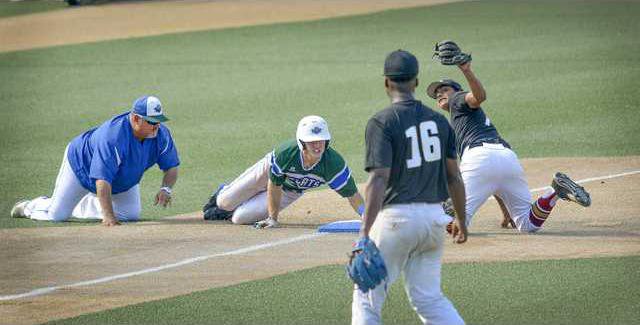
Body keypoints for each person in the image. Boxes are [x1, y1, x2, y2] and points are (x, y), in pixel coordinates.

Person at [351, 49, 467, 325]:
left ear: (386, 83)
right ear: (415, 82)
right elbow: (454, 177)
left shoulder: (383, 121)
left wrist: (364, 232)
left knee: (366, 297)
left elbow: (378, 178)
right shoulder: (440, 121)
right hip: (434, 221)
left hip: (396, 220)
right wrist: (462, 220)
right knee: (429, 299)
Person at [426, 56, 591, 233]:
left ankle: (442, 207)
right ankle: (555, 190)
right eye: (436, 94)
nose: (439, 94)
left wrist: (466, 70)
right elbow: (492, 179)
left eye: (444, 89)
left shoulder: (458, 100)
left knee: (453, 226)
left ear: (457, 91)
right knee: (528, 224)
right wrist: (506, 211)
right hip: (506, 159)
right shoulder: (463, 118)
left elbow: (479, 96)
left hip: (479, 158)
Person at [10, 95, 180, 226]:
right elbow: (102, 179)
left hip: (121, 180)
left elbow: (171, 166)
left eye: (159, 121)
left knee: (130, 215)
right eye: (151, 121)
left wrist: (166, 189)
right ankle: (30, 206)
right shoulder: (113, 137)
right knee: (57, 215)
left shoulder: (161, 135)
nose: (156, 126)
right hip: (81, 168)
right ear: (136, 119)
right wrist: (108, 215)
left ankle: (81, 203)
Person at [202, 115, 364, 227]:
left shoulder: (333, 164)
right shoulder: (286, 153)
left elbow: (353, 195)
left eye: (321, 140)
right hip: (268, 174)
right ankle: (224, 193)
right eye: (312, 141)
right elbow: (274, 184)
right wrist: (273, 218)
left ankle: (231, 211)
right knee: (224, 201)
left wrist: (366, 217)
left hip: (291, 190)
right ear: (302, 142)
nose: (317, 145)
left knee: (239, 218)